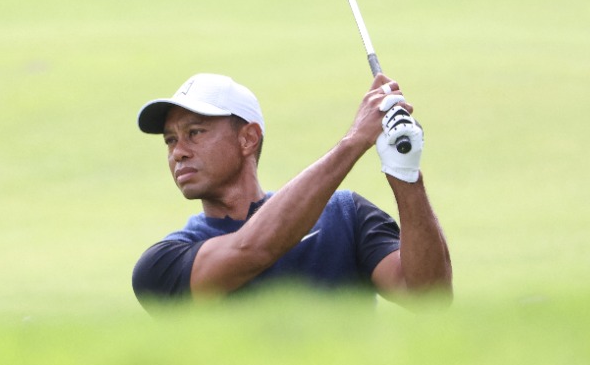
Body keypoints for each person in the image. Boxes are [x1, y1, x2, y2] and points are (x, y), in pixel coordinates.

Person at [131, 72, 452, 310]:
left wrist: (405, 172)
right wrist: (354, 141)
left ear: (248, 138)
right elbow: (254, 248)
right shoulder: (162, 264)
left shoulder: (346, 215)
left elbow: (430, 299)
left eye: (194, 132)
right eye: (170, 140)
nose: (178, 152)